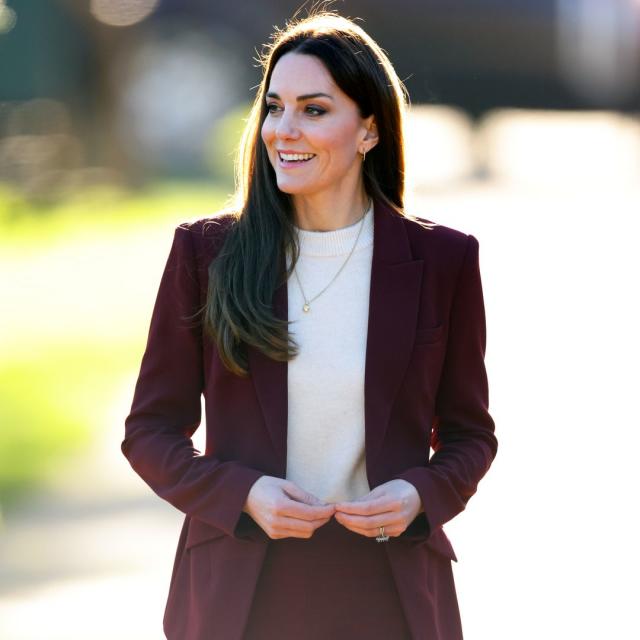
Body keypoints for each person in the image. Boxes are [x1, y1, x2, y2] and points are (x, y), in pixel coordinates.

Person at [122, 9, 497, 640]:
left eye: (314, 109)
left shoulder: (444, 261)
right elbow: (150, 432)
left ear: (369, 130)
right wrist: (241, 493)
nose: (283, 130)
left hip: (391, 595)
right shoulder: (208, 254)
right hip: (240, 597)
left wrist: (420, 496)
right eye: (275, 107)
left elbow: (469, 436)